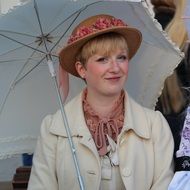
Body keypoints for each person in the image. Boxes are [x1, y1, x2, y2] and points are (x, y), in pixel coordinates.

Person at [28, 14, 174, 190]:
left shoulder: (155, 126)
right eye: (102, 59)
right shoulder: (54, 129)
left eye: (121, 57)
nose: (115, 68)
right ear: (81, 69)